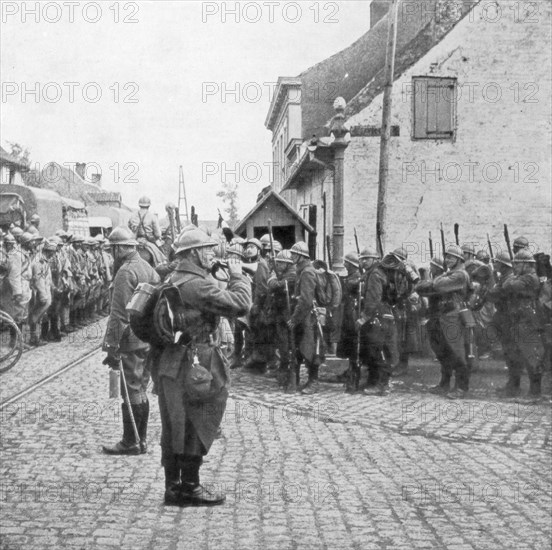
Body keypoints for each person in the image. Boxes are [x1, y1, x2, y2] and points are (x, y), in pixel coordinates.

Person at [151, 227, 251, 507]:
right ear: (194, 253)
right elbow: (241, 304)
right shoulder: (196, 285)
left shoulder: (175, 277)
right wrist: (238, 277)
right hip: (195, 364)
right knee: (199, 420)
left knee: (174, 424)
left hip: (172, 362)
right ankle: (190, 488)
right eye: (207, 249)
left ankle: (174, 488)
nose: (213, 253)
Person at [102, 227, 160, 455]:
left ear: (119, 248)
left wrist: (112, 347)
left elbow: (119, 314)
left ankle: (132, 441)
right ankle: (140, 439)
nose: (112, 253)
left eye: (113, 249)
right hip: (147, 338)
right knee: (141, 388)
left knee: (131, 390)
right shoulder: (147, 267)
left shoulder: (125, 272)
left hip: (130, 340)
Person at [500, 249, 545, 399]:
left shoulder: (530, 278)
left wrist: (513, 278)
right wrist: (513, 278)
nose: (515, 267)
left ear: (526, 264)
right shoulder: (524, 277)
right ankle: (529, 391)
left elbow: (509, 286)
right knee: (523, 356)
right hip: (522, 320)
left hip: (528, 321)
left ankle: (535, 393)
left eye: (518, 264)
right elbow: (507, 285)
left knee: (531, 357)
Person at [430, 244, 471, 399]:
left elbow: (438, 285)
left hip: (454, 315)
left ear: (459, 259)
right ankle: (444, 383)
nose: (447, 260)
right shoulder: (450, 273)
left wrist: (441, 277)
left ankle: (461, 387)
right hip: (445, 315)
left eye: (451, 257)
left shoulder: (460, 274)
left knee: (457, 352)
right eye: (446, 257)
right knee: (444, 351)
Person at [357, 248, 395, 396]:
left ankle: (382, 385)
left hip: (378, 316)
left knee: (378, 350)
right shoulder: (373, 273)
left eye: (367, 258)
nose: (363, 261)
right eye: (362, 259)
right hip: (379, 315)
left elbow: (373, 298)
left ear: (375, 260)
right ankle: (373, 382)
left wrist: (364, 318)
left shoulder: (375, 274)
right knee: (373, 350)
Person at [288, 241, 324, 394]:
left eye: (294, 254)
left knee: (311, 349)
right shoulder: (302, 271)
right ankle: (302, 381)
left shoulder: (307, 272)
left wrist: (294, 319)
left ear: (301, 256)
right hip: (304, 315)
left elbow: (306, 300)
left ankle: (314, 382)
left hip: (309, 317)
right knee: (300, 347)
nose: (292, 257)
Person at [266, 250, 297, 388]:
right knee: (281, 341)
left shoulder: (292, 274)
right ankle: (283, 367)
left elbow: (275, 285)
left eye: (280, 263)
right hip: (281, 312)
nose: (277, 264)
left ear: (287, 263)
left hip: (288, 313)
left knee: (287, 343)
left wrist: (273, 278)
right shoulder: (284, 273)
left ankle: (287, 369)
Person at [335, 252, 361, 387]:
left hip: (353, 315)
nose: (344, 265)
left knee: (353, 343)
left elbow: (345, 288)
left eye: (346, 263)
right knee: (350, 343)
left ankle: (354, 371)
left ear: (351, 265)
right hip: (348, 314)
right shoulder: (351, 277)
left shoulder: (356, 278)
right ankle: (351, 368)